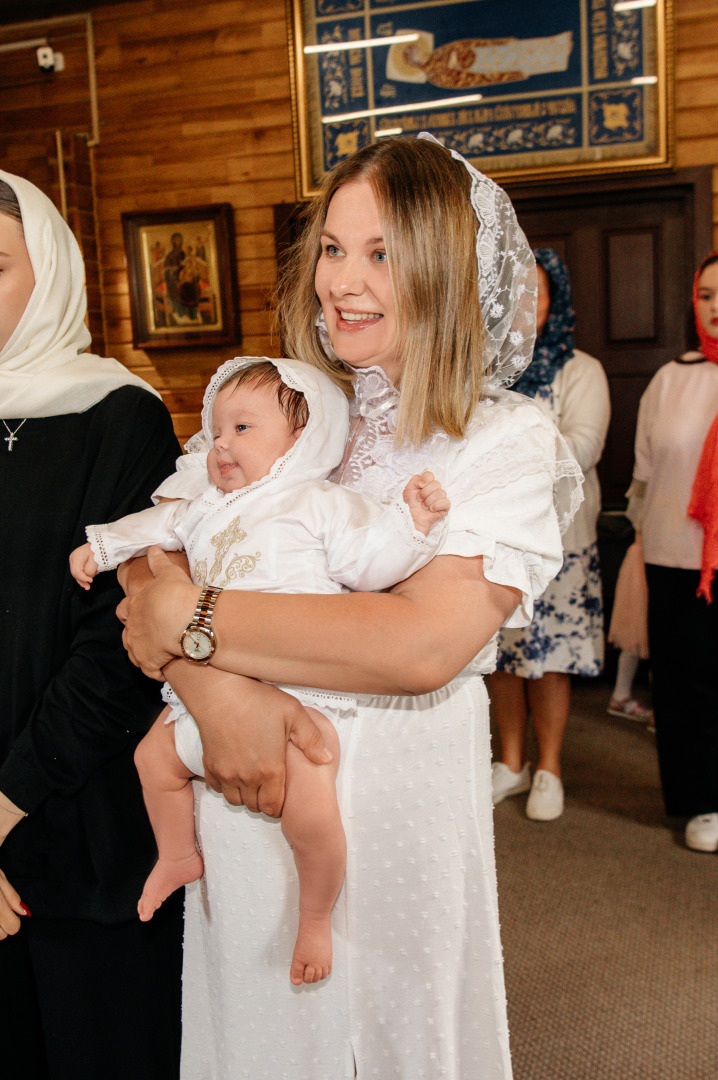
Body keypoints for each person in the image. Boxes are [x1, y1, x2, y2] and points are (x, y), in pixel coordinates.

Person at [117, 133, 582, 1079]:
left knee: (395, 1033)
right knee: (261, 1032)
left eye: (381, 253)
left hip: (398, 812)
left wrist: (192, 623)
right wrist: (221, 697)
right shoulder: (296, 408)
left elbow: (417, 644)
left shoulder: (506, 443)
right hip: (243, 796)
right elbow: (155, 545)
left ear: (446, 270)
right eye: (333, 247)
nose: (344, 280)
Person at [70, 355, 449, 984]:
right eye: (217, 430)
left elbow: (370, 564)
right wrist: (103, 546)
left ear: (303, 438)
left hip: (294, 689)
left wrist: (413, 524)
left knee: (311, 816)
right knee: (151, 761)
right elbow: (153, 527)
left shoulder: (321, 503)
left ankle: (316, 916)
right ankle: (176, 854)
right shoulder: (205, 508)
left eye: (243, 429)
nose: (222, 445)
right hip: (205, 689)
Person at [0, 171, 183, 1079]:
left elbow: (123, 643)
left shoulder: (121, 417)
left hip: (76, 819)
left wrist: (3, 808)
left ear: (52, 275)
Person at [488, 248, 611, 821]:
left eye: (537, 294)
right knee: (505, 655)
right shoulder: (489, 371)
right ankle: (510, 763)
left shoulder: (581, 370)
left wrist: (510, 454)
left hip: (563, 542)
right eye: (516, 294)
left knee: (551, 659)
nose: (525, 306)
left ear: (555, 301)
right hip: (498, 538)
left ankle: (550, 767)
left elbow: (582, 447)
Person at [629, 252, 718, 852]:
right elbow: (644, 470)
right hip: (673, 554)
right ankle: (699, 800)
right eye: (707, 295)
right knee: (686, 684)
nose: (716, 307)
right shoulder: (670, 379)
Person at [606, 535, 654, 727]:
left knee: (636, 631)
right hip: (646, 563)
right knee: (637, 631)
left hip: (644, 560)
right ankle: (621, 695)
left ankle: (621, 693)